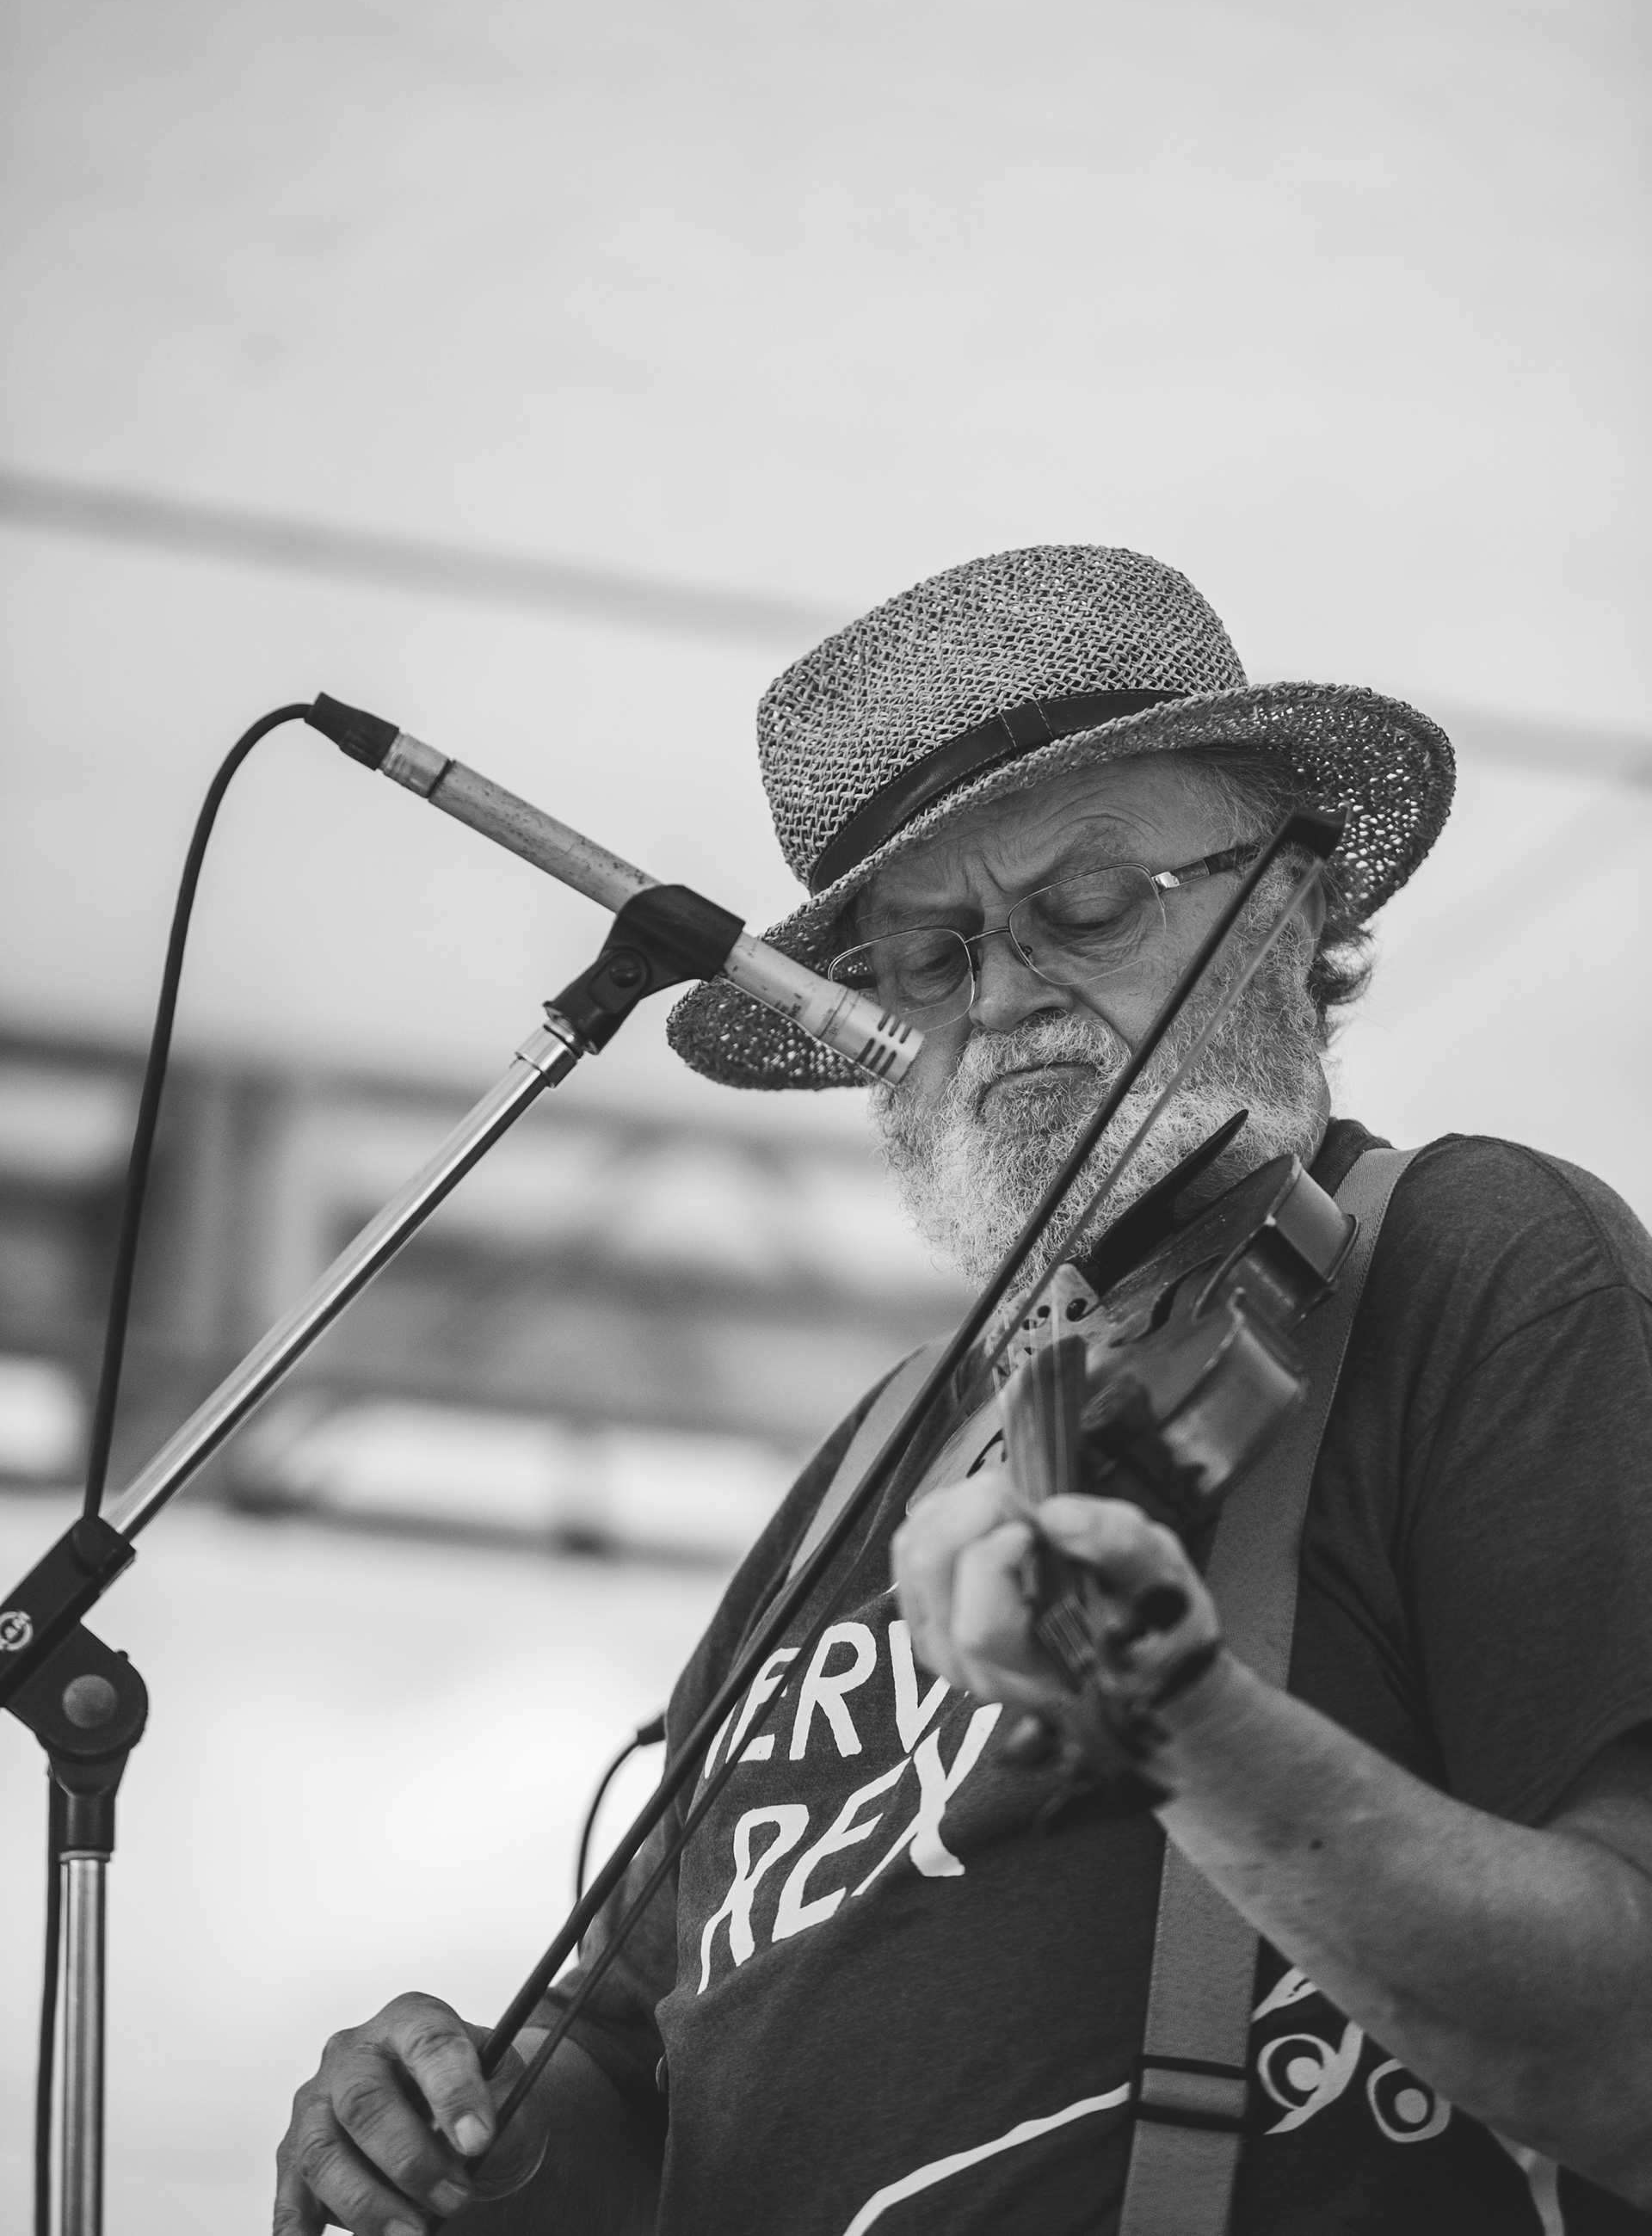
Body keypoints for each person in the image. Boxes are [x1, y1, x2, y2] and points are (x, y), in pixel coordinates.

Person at [274, 545, 1652, 2236]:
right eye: (927, 959)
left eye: (1083, 910)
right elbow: (639, 2066)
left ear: (1292, 902)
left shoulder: (1470, 1258)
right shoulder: (873, 1458)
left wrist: (1186, 1727)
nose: (1002, 998)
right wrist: (451, 2124)